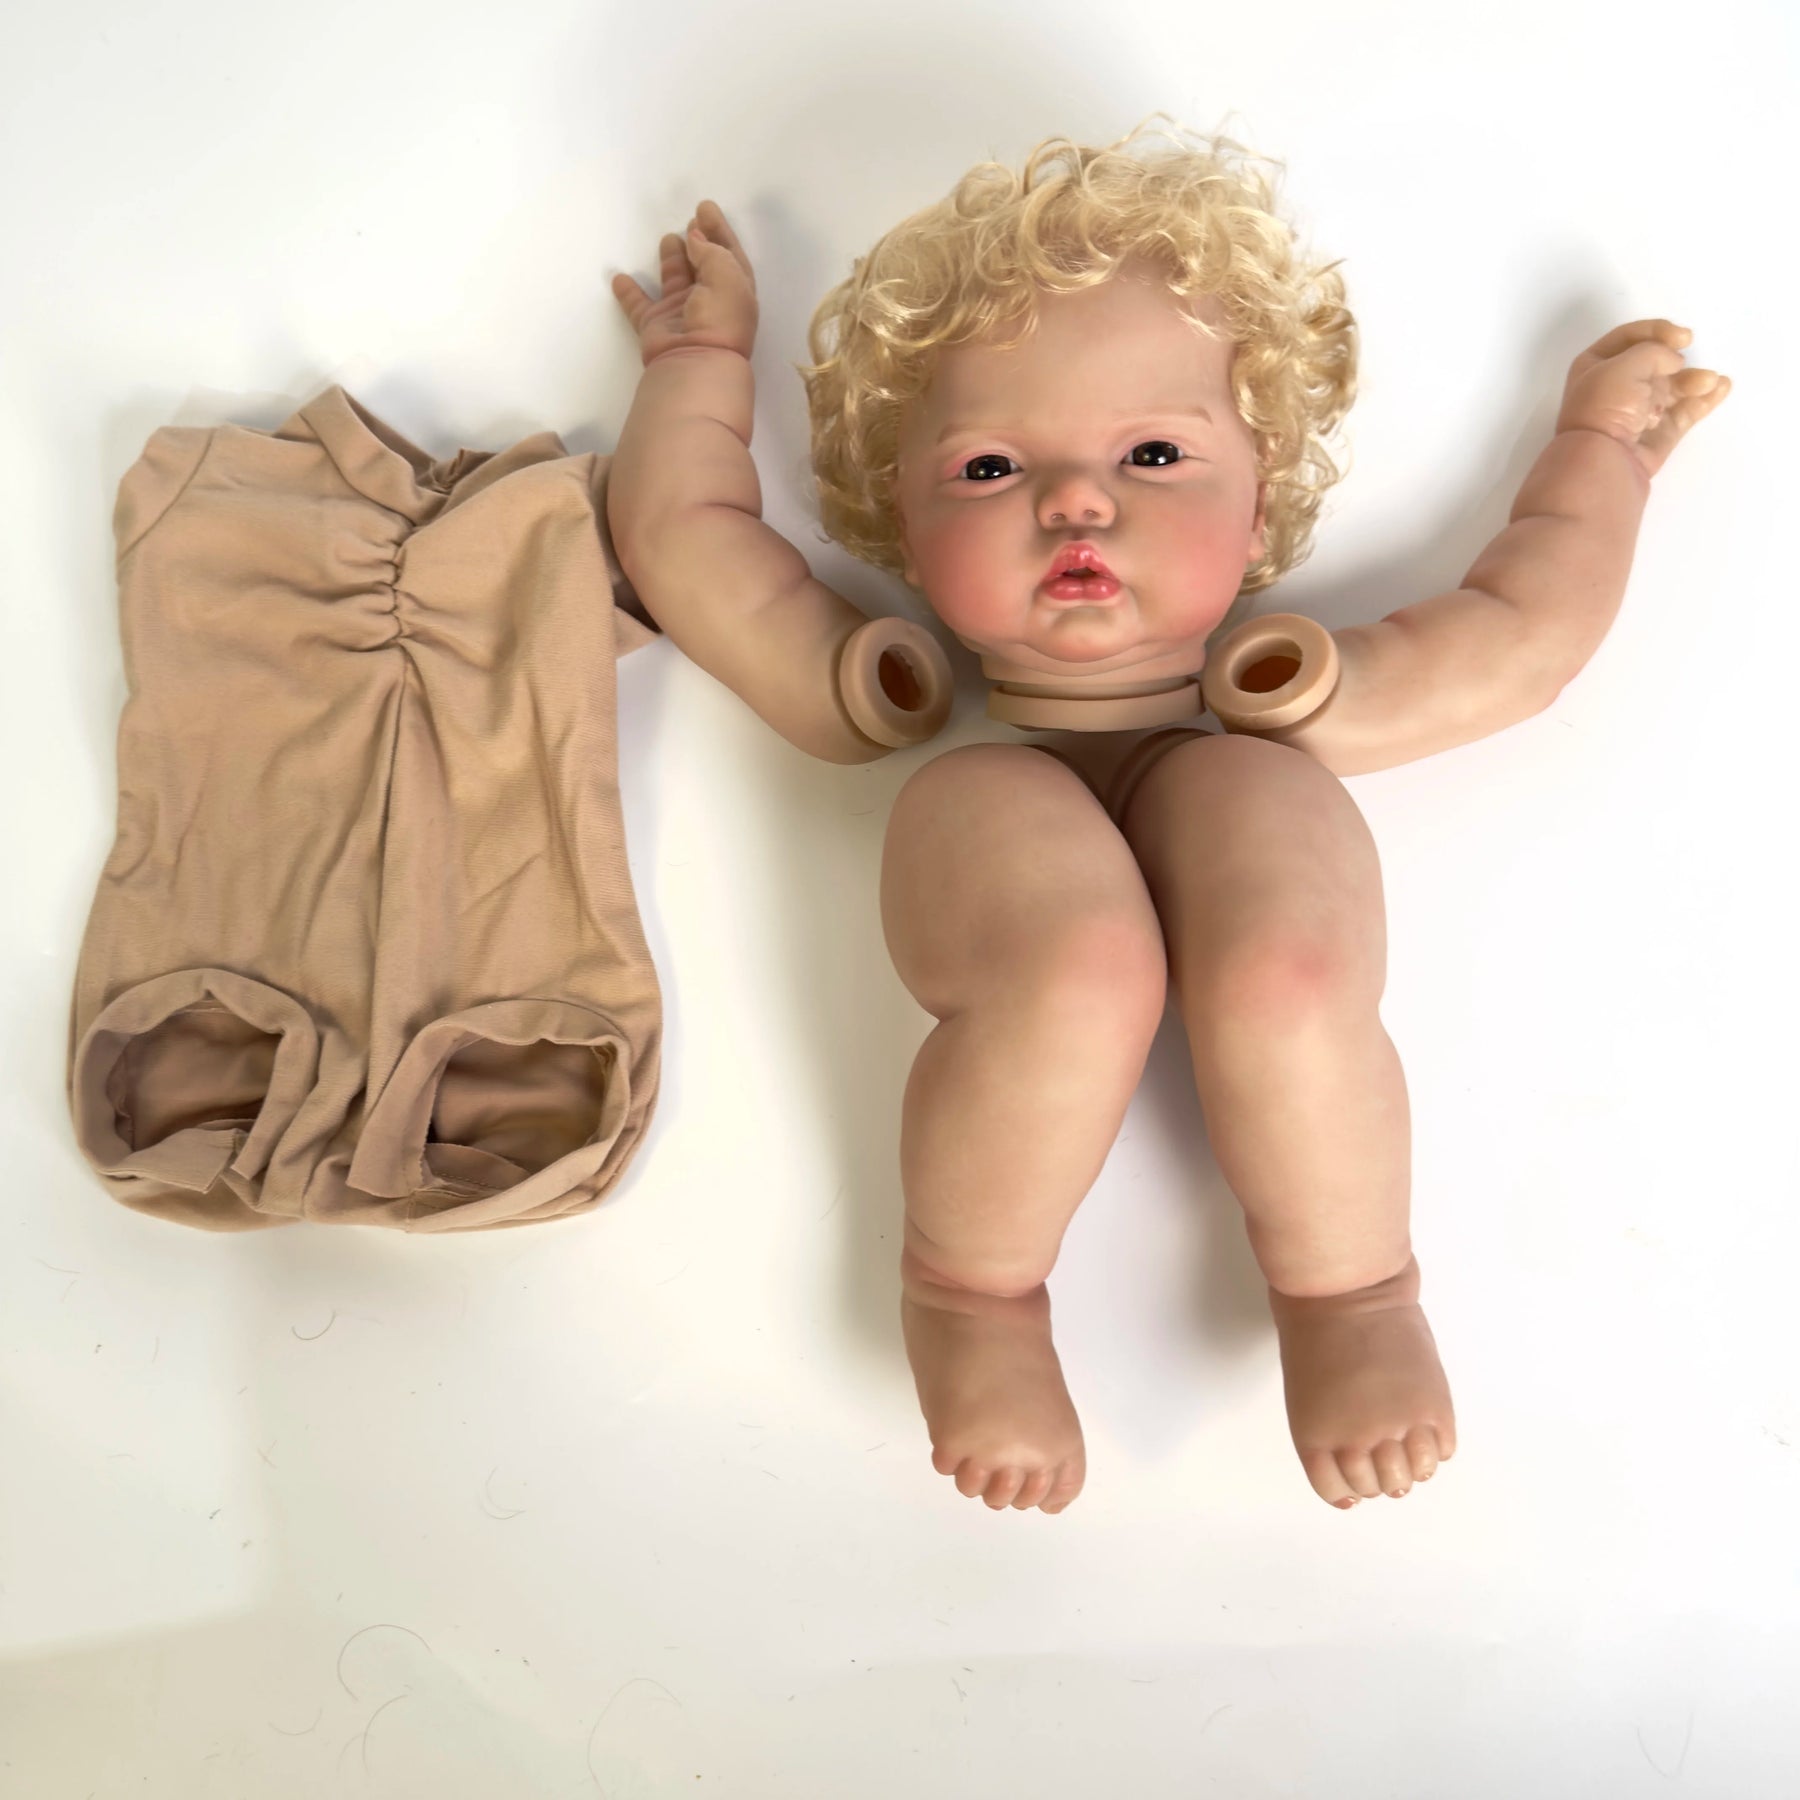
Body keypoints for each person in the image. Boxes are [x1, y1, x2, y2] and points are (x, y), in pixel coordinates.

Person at [607, 116, 1730, 1514]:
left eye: (1151, 455)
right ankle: (969, 1291)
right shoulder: (866, 683)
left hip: (1227, 778)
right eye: (990, 469)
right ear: (901, 518)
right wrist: (697, 368)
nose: (1075, 500)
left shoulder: (1305, 700)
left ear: (1259, 509)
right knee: (1076, 965)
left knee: (1286, 954)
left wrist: (1604, 452)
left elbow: (1521, 634)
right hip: (991, 812)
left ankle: (1353, 1289)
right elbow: (688, 541)